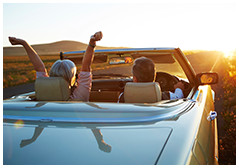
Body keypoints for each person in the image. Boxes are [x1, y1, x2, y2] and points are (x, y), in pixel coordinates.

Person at [8, 31, 103, 101]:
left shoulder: (44, 92)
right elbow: (86, 66)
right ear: (72, 78)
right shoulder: (79, 97)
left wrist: (24, 43)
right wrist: (92, 43)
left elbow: (39, 68)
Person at [118, 57, 185, 102]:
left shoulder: (123, 97)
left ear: (135, 79)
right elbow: (179, 97)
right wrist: (179, 88)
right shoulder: (166, 96)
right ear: (155, 76)